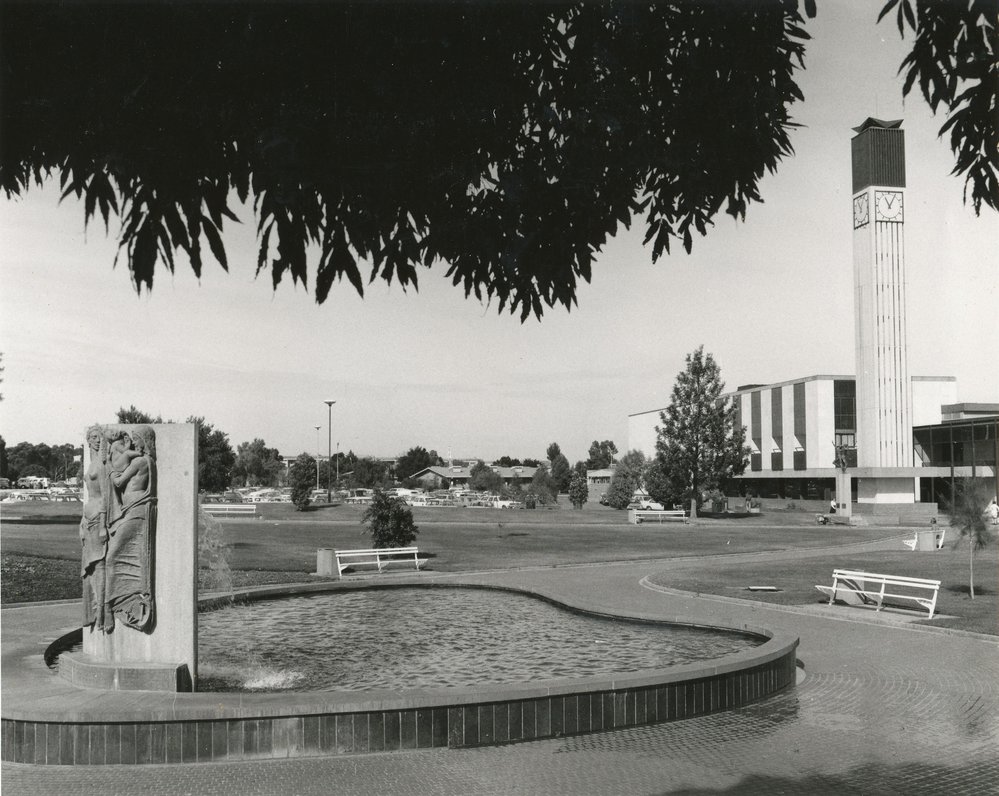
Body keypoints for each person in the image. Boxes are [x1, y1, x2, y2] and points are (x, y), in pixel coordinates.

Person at [104, 425, 157, 632]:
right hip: (132, 511)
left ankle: (116, 603)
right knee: (124, 556)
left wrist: (108, 464)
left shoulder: (140, 461)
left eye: (137, 440)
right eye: (132, 439)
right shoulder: (145, 460)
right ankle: (123, 599)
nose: (134, 443)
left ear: (145, 441)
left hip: (136, 512)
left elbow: (118, 482)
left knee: (113, 557)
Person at [80, 424, 111, 630]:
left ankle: (101, 612)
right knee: (91, 568)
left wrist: (102, 525)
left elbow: (105, 497)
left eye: (99, 436)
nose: (97, 440)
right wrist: (82, 522)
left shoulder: (101, 465)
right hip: (87, 519)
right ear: (88, 440)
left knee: (99, 565)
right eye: (93, 436)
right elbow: (89, 497)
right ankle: (94, 611)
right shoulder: (92, 463)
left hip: (97, 519)